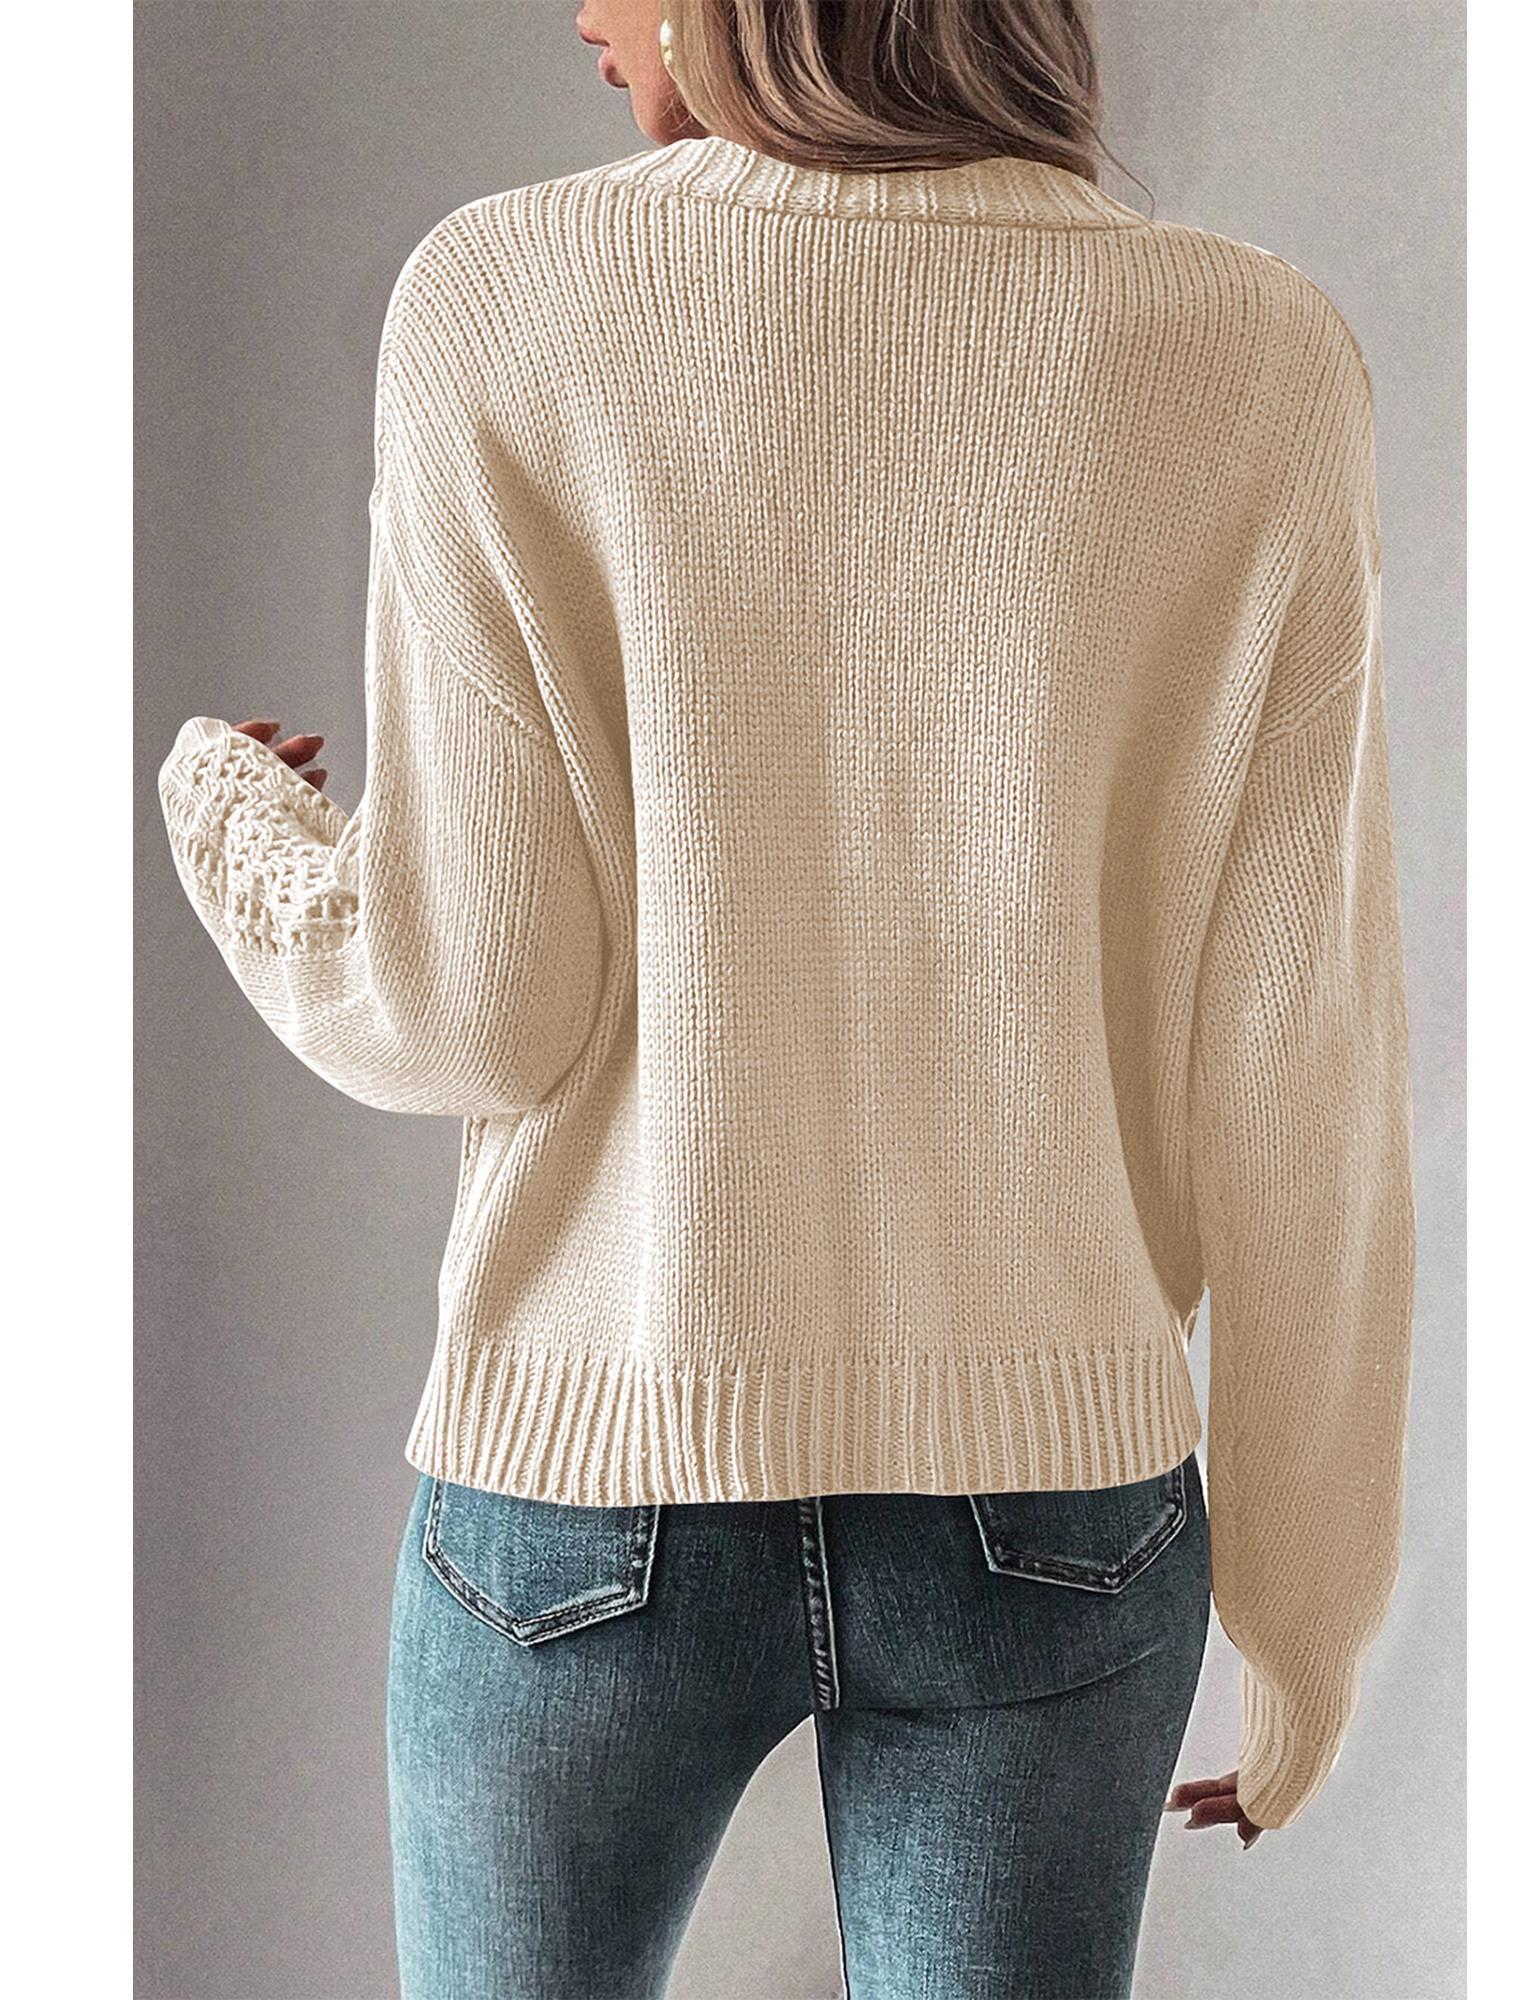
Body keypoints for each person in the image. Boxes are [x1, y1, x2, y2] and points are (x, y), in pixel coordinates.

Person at [155, 4, 1417, 1995]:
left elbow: (469, 1003)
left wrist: (231, 818)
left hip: (590, 1479)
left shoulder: (500, 300)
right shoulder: (1250, 352)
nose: (584, 20)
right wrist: (1306, 1621)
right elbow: (1295, 1063)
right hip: (1050, 1513)